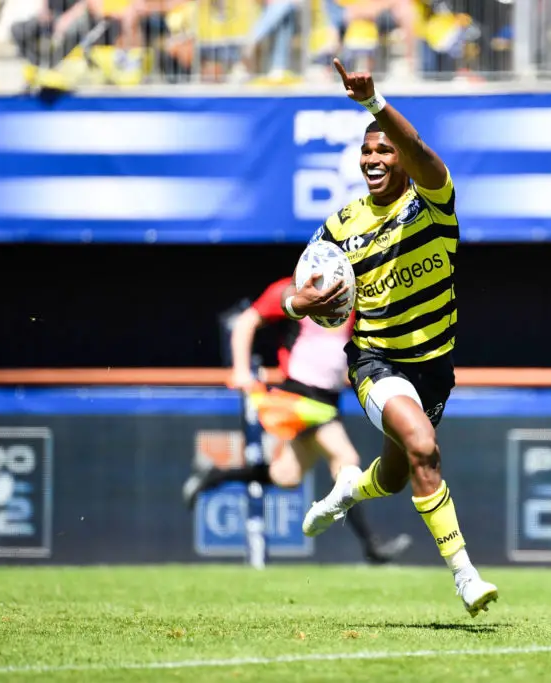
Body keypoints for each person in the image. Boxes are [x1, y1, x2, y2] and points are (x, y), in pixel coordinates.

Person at [286, 58, 498, 616]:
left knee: (400, 473)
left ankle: (348, 490)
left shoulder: (434, 205)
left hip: (434, 367)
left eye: (384, 150)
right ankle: (465, 575)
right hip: (377, 362)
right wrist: (295, 303)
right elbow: (300, 290)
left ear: (402, 156)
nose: (374, 159)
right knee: (424, 448)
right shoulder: (340, 226)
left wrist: (374, 104)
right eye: (366, 152)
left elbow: (422, 151)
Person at [182, 276, 412, 565]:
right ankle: (372, 546)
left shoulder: (352, 297)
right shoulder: (290, 291)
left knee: (286, 476)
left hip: (328, 400)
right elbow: (245, 322)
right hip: (300, 395)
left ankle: (214, 476)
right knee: (346, 459)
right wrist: (240, 370)